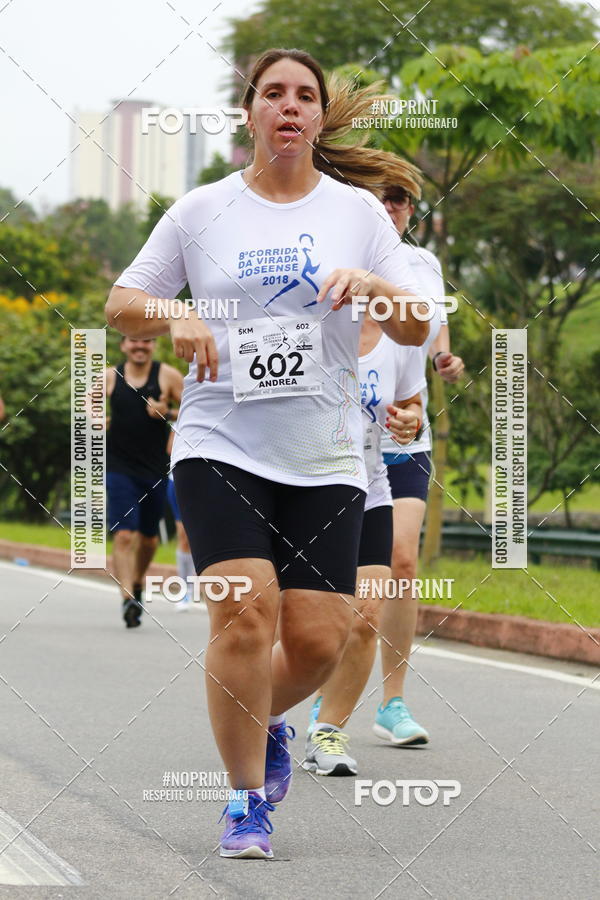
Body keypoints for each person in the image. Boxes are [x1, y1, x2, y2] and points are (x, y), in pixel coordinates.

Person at [105, 48, 429, 859]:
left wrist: (371, 284)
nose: (289, 106)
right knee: (247, 616)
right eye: (273, 94)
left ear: (320, 118)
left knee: (321, 640)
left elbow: (418, 323)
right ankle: (246, 800)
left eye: (305, 96)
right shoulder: (200, 210)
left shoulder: (356, 213)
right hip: (219, 447)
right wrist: (170, 317)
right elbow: (121, 301)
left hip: (323, 454)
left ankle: (265, 724)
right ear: (249, 113)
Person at [302, 304, 425, 775]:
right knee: (307, 625)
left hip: (370, 486)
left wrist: (409, 421)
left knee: (367, 614)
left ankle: (329, 732)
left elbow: (411, 405)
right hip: (303, 488)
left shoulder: (402, 335)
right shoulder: (303, 318)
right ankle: (271, 720)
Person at [373, 185, 465, 744]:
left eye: (401, 198)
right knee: (344, 579)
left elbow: (435, 333)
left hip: (408, 433)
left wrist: (443, 360)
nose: (391, 206)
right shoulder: (342, 258)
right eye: (381, 196)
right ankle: (322, 701)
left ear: (412, 209)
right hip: (338, 439)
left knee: (401, 563)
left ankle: (393, 702)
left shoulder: (423, 264)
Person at [106, 337, 182, 627]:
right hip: (119, 467)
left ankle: (137, 582)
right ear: (124, 345)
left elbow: (197, 408)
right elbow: (88, 401)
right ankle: (127, 598)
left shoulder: (167, 376)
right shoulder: (110, 376)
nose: (140, 346)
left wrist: (169, 412)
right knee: (124, 534)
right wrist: (96, 416)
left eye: (146, 341)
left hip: (154, 469)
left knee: (149, 539)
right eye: (134, 341)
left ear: (153, 346)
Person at [166, 430, 194, 611]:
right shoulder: (179, 419)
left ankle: (193, 587)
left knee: (194, 538)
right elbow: (170, 449)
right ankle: (185, 591)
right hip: (177, 480)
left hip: (202, 480)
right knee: (183, 536)